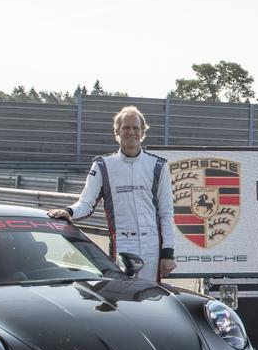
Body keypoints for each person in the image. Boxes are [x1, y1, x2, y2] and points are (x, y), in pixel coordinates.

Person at [49, 106, 175, 280]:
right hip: (122, 245)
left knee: (151, 299)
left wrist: (168, 253)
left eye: (136, 128)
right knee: (123, 298)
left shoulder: (158, 166)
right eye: (126, 127)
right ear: (117, 131)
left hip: (152, 247)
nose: (131, 132)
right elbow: (86, 203)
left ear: (143, 132)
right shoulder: (102, 165)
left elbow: (166, 212)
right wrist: (69, 212)